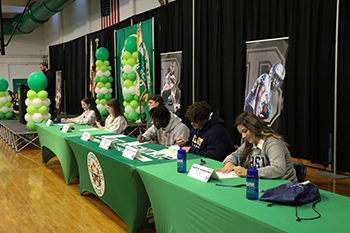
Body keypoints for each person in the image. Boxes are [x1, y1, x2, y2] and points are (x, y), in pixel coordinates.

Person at [218, 112, 297, 181]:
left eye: (245, 131)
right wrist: (229, 163)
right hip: (264, 184)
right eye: (241, 133)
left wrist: (249, 172)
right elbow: (234, 155)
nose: (243, 136)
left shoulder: (273, 143)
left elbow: (278, 169)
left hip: (285, 187)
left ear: (254, 127)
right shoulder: (249, 143)